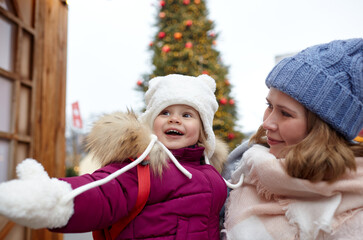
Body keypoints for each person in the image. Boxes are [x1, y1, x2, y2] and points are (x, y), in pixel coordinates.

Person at [0, 74, 230, 239]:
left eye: (187, 114)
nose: (174, 119)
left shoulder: (212, 171)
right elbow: (102, 192)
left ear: (203, 130)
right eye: (165, 112)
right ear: (151, 121)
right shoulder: (143, 165)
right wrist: (50, 199)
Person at [223, 38, 363, 240]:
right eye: (269, 105)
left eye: (285, 114)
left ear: (324, 129)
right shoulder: (239, 170)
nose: (267, 123)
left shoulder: (355, 213)